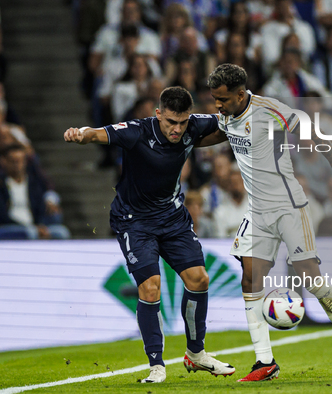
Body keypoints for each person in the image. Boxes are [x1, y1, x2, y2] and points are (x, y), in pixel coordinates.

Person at [200, 64, 332, 382]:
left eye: (222, 99)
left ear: (240, 94)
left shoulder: (269, 110)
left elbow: (311, 132)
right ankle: (265, 361)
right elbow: (219, 133)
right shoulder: (226, 115)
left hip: (289, 206)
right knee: (250, 279)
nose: (217, 105)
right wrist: (179, 143)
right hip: (257, 211)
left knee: (310, 276)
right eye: (214, 99)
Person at [63, 87, 235, 383]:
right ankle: (157, 365)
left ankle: (196, 354)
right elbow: (99, 133)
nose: (177, 129)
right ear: (158, 114)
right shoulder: (136, 131)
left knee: (200, 279)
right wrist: (81, 133)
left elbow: (227, 124)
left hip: (172, 217)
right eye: (170, 122)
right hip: (134, 221)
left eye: (182, 123)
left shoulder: (194, 125)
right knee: (151, 286)